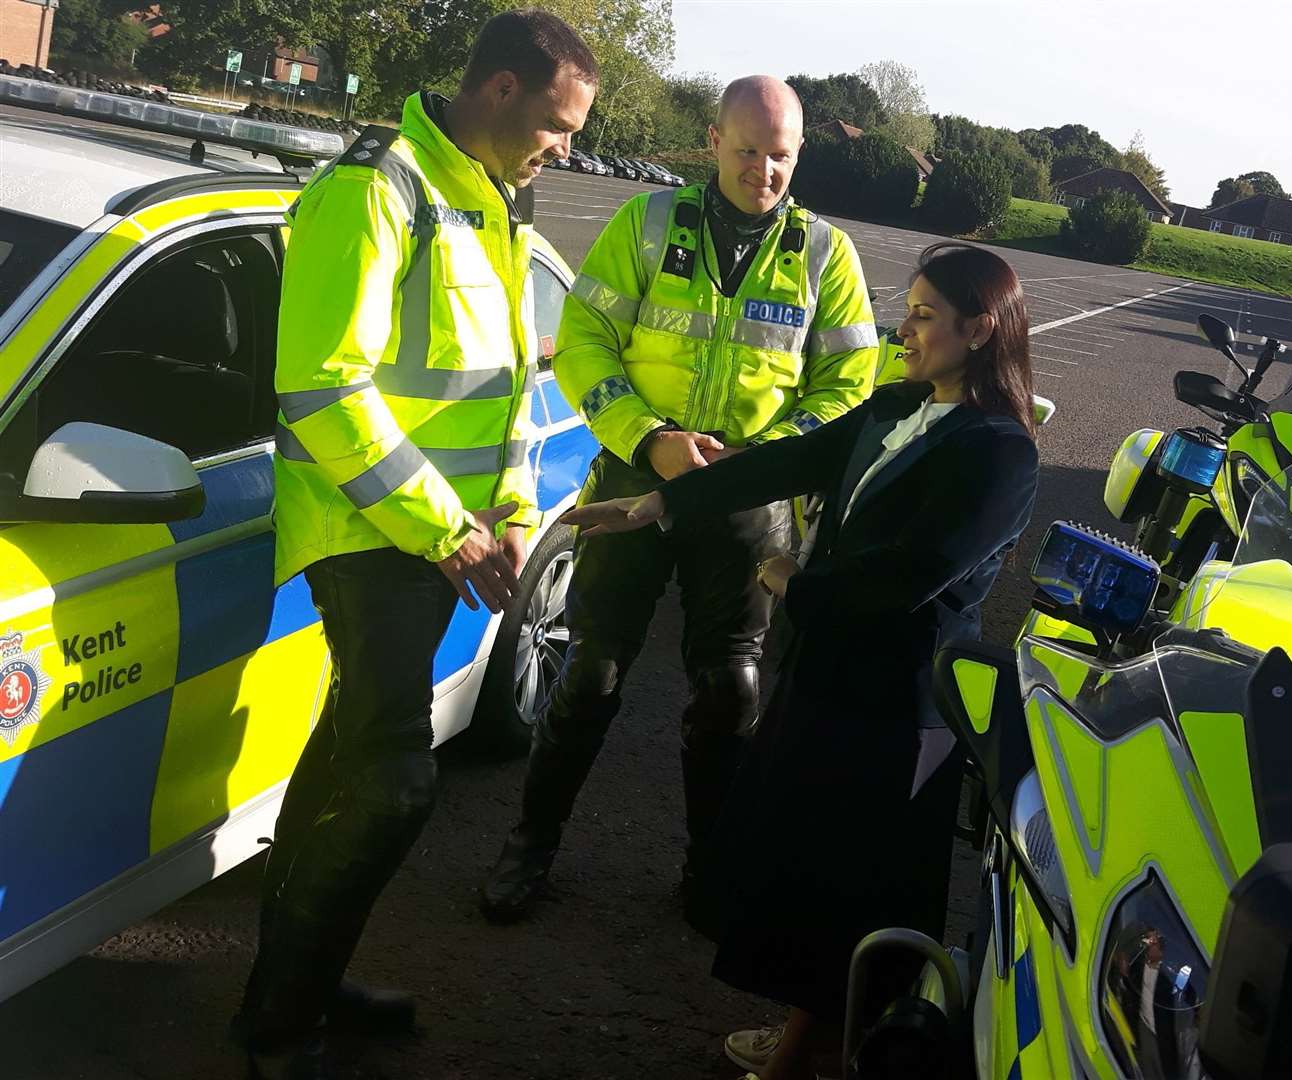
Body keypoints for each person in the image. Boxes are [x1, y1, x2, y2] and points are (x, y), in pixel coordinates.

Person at [562, 242, 1040, 1080]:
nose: (906, 328)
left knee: (853, 893)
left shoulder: (1003, 451)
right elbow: (784, 463)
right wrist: (660, 501)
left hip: (895, 708)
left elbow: (916, 575)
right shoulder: (898, 409)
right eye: (912, 308)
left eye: (926, 316)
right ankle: (817, 1037)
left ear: (981, 327)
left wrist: (794, 582)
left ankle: (800, 1059)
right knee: (810, 880)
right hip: (826, 680)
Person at [232, 12, 597, 1078]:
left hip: (447, 540)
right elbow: (318, 389)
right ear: (495, 91)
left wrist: (520, 509)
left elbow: (510, 388)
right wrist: (448, 529)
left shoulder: (490, 204)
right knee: (392, 784)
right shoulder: (373, 190)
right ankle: (274, 1029)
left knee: (344, 766)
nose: (565, 148)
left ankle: (302, 979)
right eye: (557, 124)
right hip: (368, 532)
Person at [479, 75, 880, 924]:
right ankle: (529, 848)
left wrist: (757, 461)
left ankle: (709, 872)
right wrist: (650, 437)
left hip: (748, 498)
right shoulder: (648, 222)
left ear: (798, 154)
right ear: (712, 142)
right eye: (746, 150)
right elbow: (585, 341)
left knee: (731, 690)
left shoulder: (825, 254)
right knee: (589, 672)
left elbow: (849, 385)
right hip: (638, 473)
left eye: (779, 156)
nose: (762, 171)